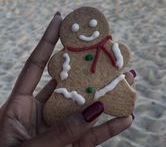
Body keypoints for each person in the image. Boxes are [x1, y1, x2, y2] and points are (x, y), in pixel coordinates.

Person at [0, 12, 136, 146]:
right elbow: (54, 66)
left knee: (122, 98)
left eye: (91, 24)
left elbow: (122, 53)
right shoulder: (67, 56)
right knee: (56, 110)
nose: (84, 30)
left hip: (109, 87)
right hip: (72, 94)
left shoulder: (109, 49)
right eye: (75, 28)